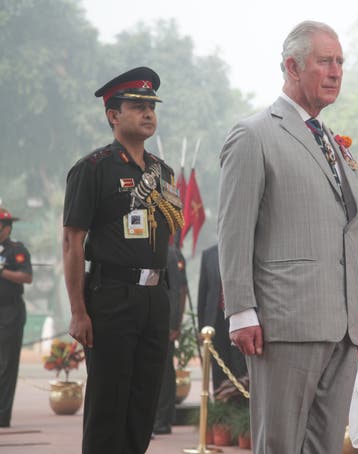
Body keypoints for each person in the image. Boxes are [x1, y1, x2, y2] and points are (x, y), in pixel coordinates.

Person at [218, 20, 358, 454]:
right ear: (292, 66)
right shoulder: (255, 134)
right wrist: (241, 310)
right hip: (284, 323)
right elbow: (233, 229)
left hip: (341, 326)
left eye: (340, 61)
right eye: (325, 61)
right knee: (280, 444)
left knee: (325, 445)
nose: (336, 71)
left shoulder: (334, 144)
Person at [62, 67, 183, 454]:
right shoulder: (93, 169)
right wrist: (79, 311)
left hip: (154, 297)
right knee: (108, 405)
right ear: (113, 115)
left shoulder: (162, 172)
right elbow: (71, 243)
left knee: (143, 404)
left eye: (151, 106)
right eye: (137, 106)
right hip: (111, 296)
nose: (148, 113)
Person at [197, 243, 246, 391]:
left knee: (240, 366)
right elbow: (203, 293)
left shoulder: (244, 250)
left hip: (239, 316)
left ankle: (240, 408)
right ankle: (220, 408)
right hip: (215, 320)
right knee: (218, 367)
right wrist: (202, 327)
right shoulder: (208, 254)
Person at [0, 208, 33, 427]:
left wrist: (2, 272)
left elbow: (27, 277)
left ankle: (2, 415)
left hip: (9, 312)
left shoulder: (16, 250)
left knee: (6, 365)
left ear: (7, 227)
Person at [153, 241, 188, 435]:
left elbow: (178, 290)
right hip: (153, 321)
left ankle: (163, 420)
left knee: (165, 373)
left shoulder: (171, 253)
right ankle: (156, 418)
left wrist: (174, 323)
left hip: (165, 323)